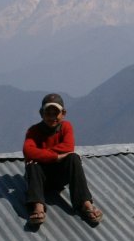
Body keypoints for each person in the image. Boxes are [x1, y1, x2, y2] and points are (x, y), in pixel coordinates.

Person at [23, 93, 103, 226]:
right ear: (41, 114)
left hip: (59, 177)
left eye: (56, 113)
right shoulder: (34, 131)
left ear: (63, 113)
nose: (52, 117)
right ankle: (38, 206)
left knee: (73, 157)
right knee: (33, 165)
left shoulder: (66, 127)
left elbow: (68, 146)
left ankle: (85, 203)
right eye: (48, 113)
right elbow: (27, 151)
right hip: (40, 180)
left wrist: (40, 154)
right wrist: (55, 157)